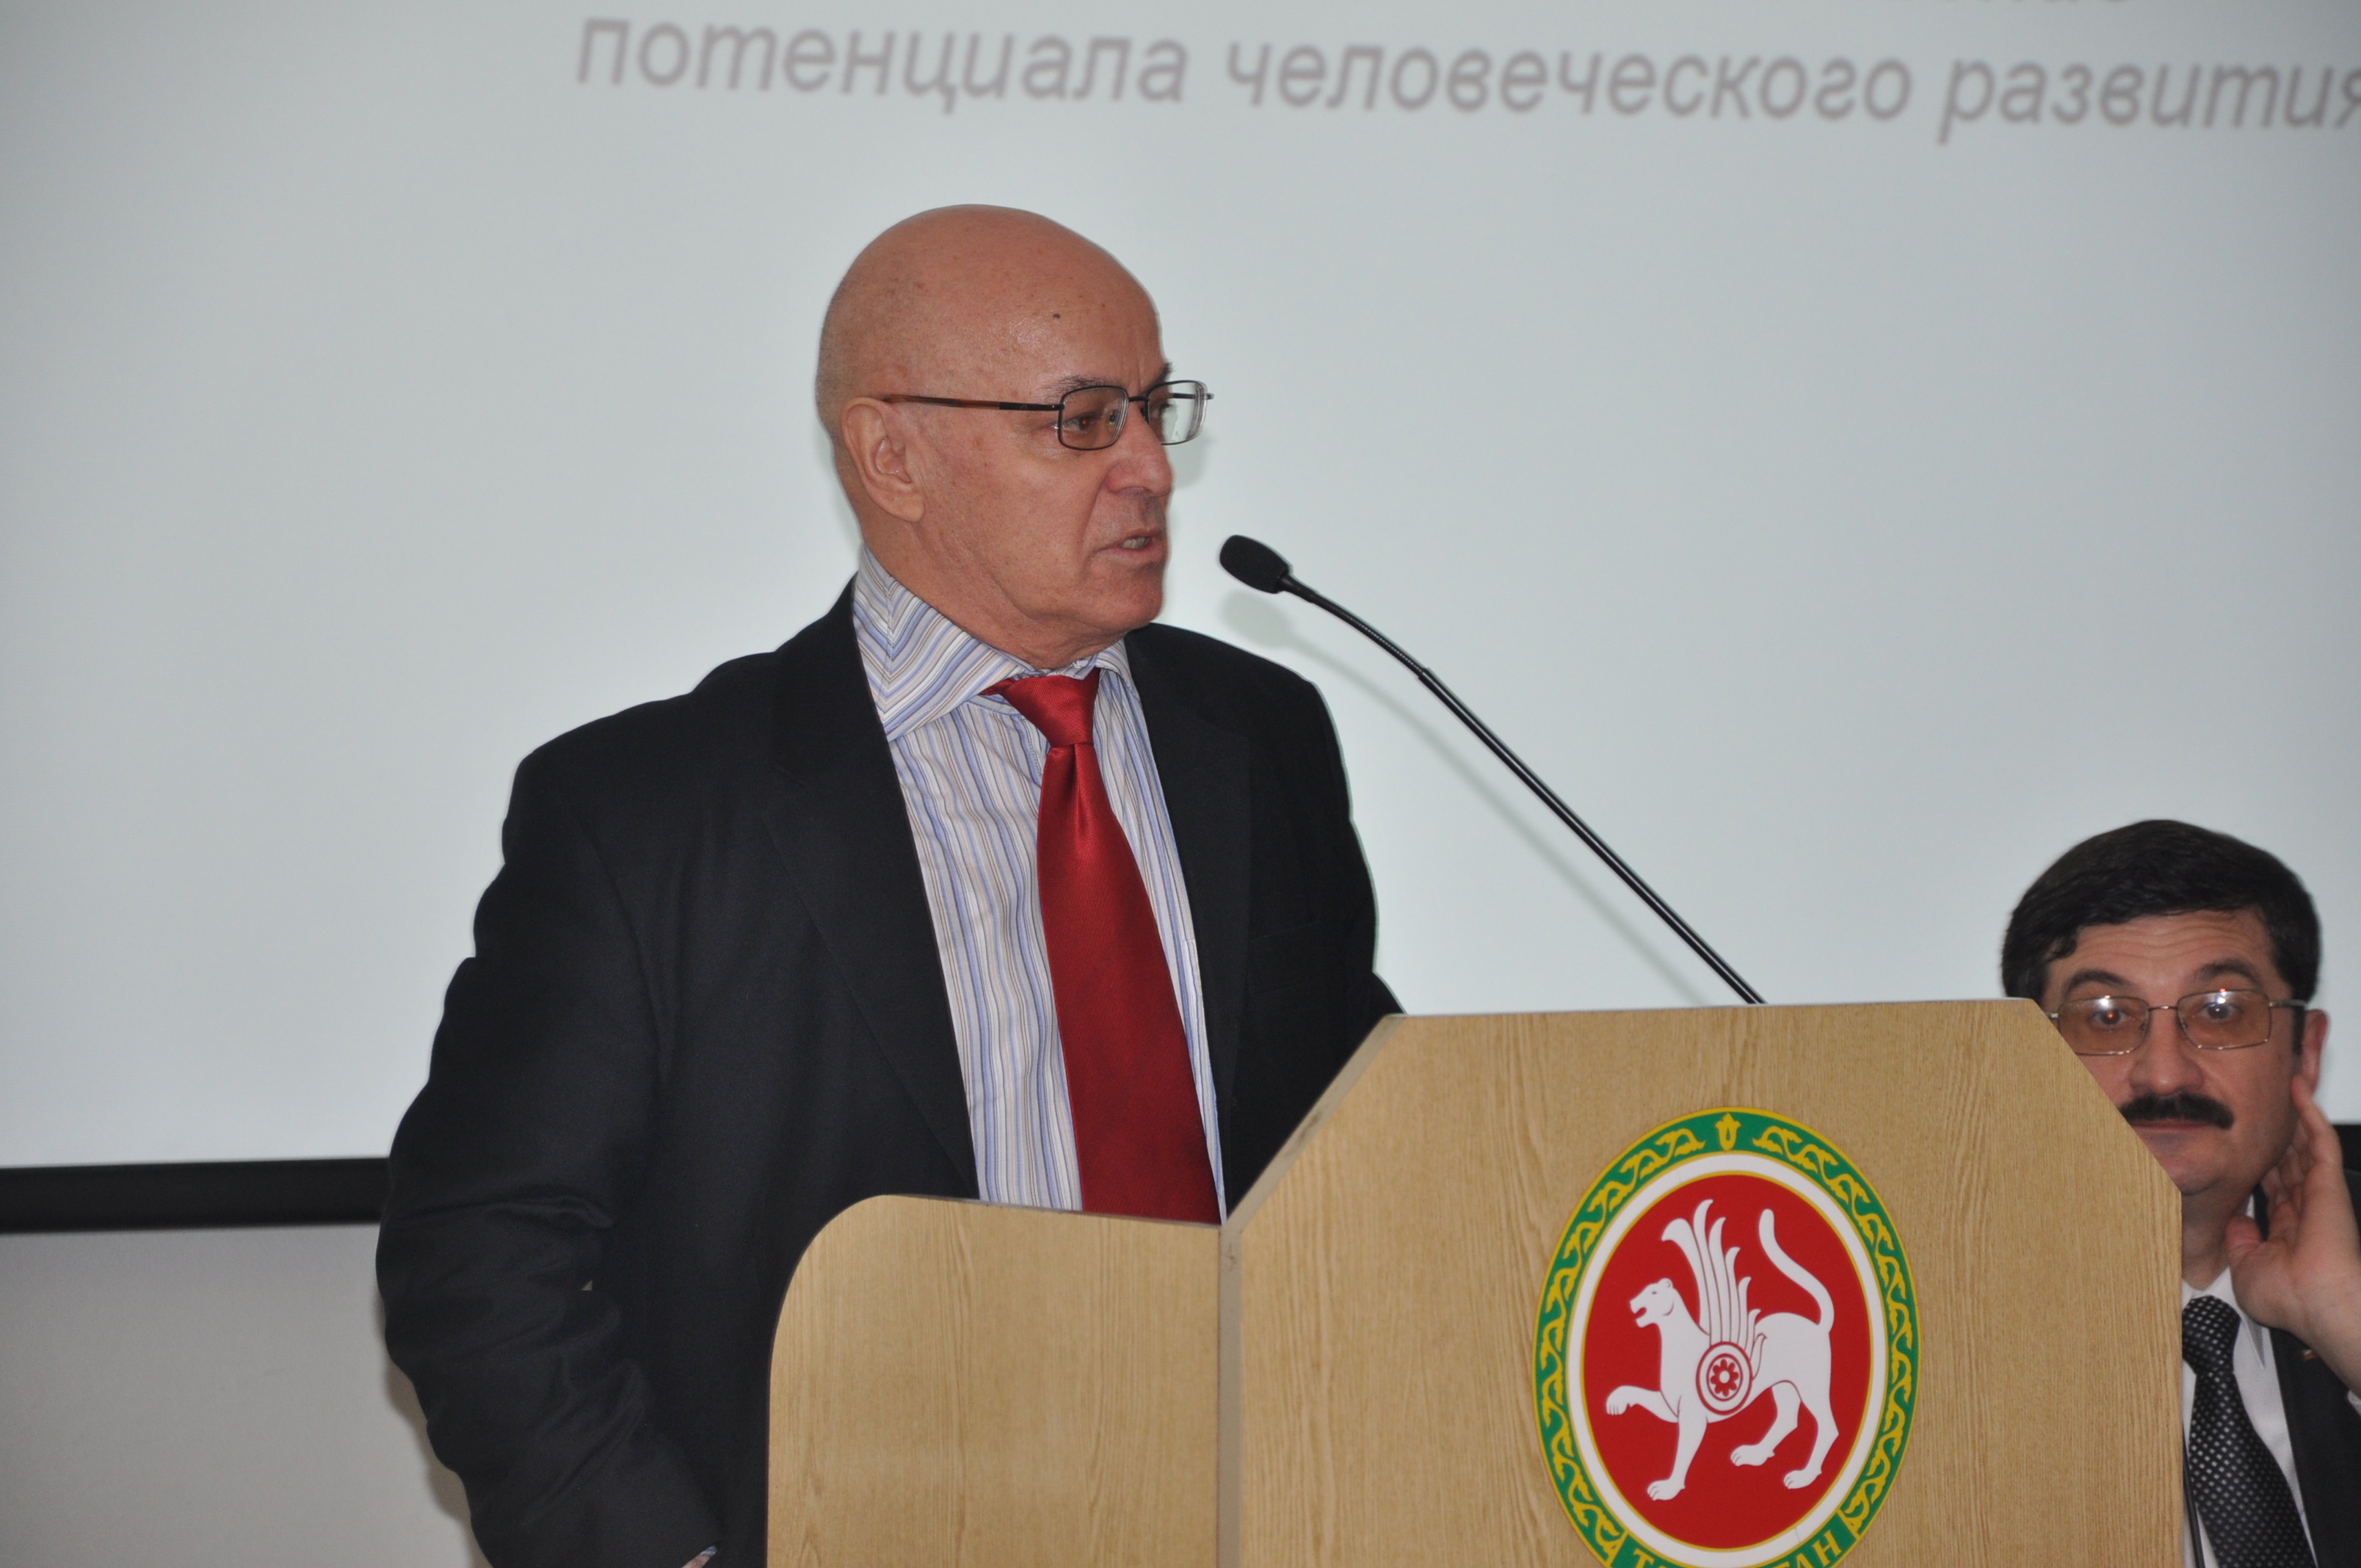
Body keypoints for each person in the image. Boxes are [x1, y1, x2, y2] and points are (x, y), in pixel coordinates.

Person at [377, 206, 1396, 1568]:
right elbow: (481, 1247)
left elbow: (1350, 1131)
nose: (1153, 467)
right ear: (892, 455)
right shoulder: (647, 814)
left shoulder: (1259, 736)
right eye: (1085, 420)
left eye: (1157, 409)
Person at [2002, 819, 2361, 1567]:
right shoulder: (1928, 1314)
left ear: (2306, 1051)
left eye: (2220, 1010)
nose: (2164, 1073)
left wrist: (2345, 1324)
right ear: (2025, 1061)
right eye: (2106, 1018)